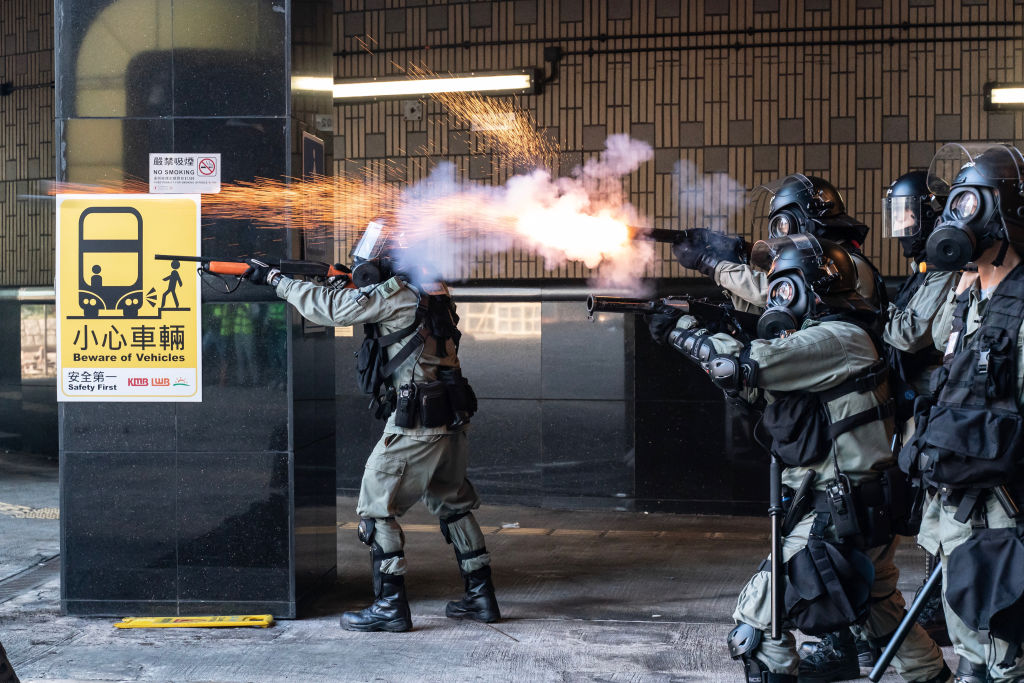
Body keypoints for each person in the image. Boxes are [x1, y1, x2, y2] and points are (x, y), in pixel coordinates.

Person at [649, 233, 950, 683]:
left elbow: (740, 365)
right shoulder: (837, 338)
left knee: (758, 624)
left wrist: (683, 330)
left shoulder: (836, 338)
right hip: (859, 508)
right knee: (880, 614)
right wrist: (705, 333)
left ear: (805, 288)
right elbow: (759, 391)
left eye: (781, 286)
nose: (775, 298)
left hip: (838, 513)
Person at [244, 221, 499, 632]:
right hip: (449, 420)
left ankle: (390, 606)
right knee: (454, 505)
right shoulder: (434, 289)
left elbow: (332, 311)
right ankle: (481, 598)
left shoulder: (397, 293)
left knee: (375, 509)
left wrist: (277, 280)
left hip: (415, 423)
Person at [901, 143, 1024, 683]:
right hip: (958, 513)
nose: (958, 219)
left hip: (1004, 514)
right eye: (956, 206)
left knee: (1003, 659)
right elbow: (919, 338)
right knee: (972, 651)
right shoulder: (970, 299)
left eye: (971, 206)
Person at [670, 174, 887, 324]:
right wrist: (736, 259)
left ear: (806, 222)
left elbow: (776, 293)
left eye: (782, 224)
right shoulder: (830, 262)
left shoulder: (844, 265)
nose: (781, 233)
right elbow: (767, 310)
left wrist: (712, 264)